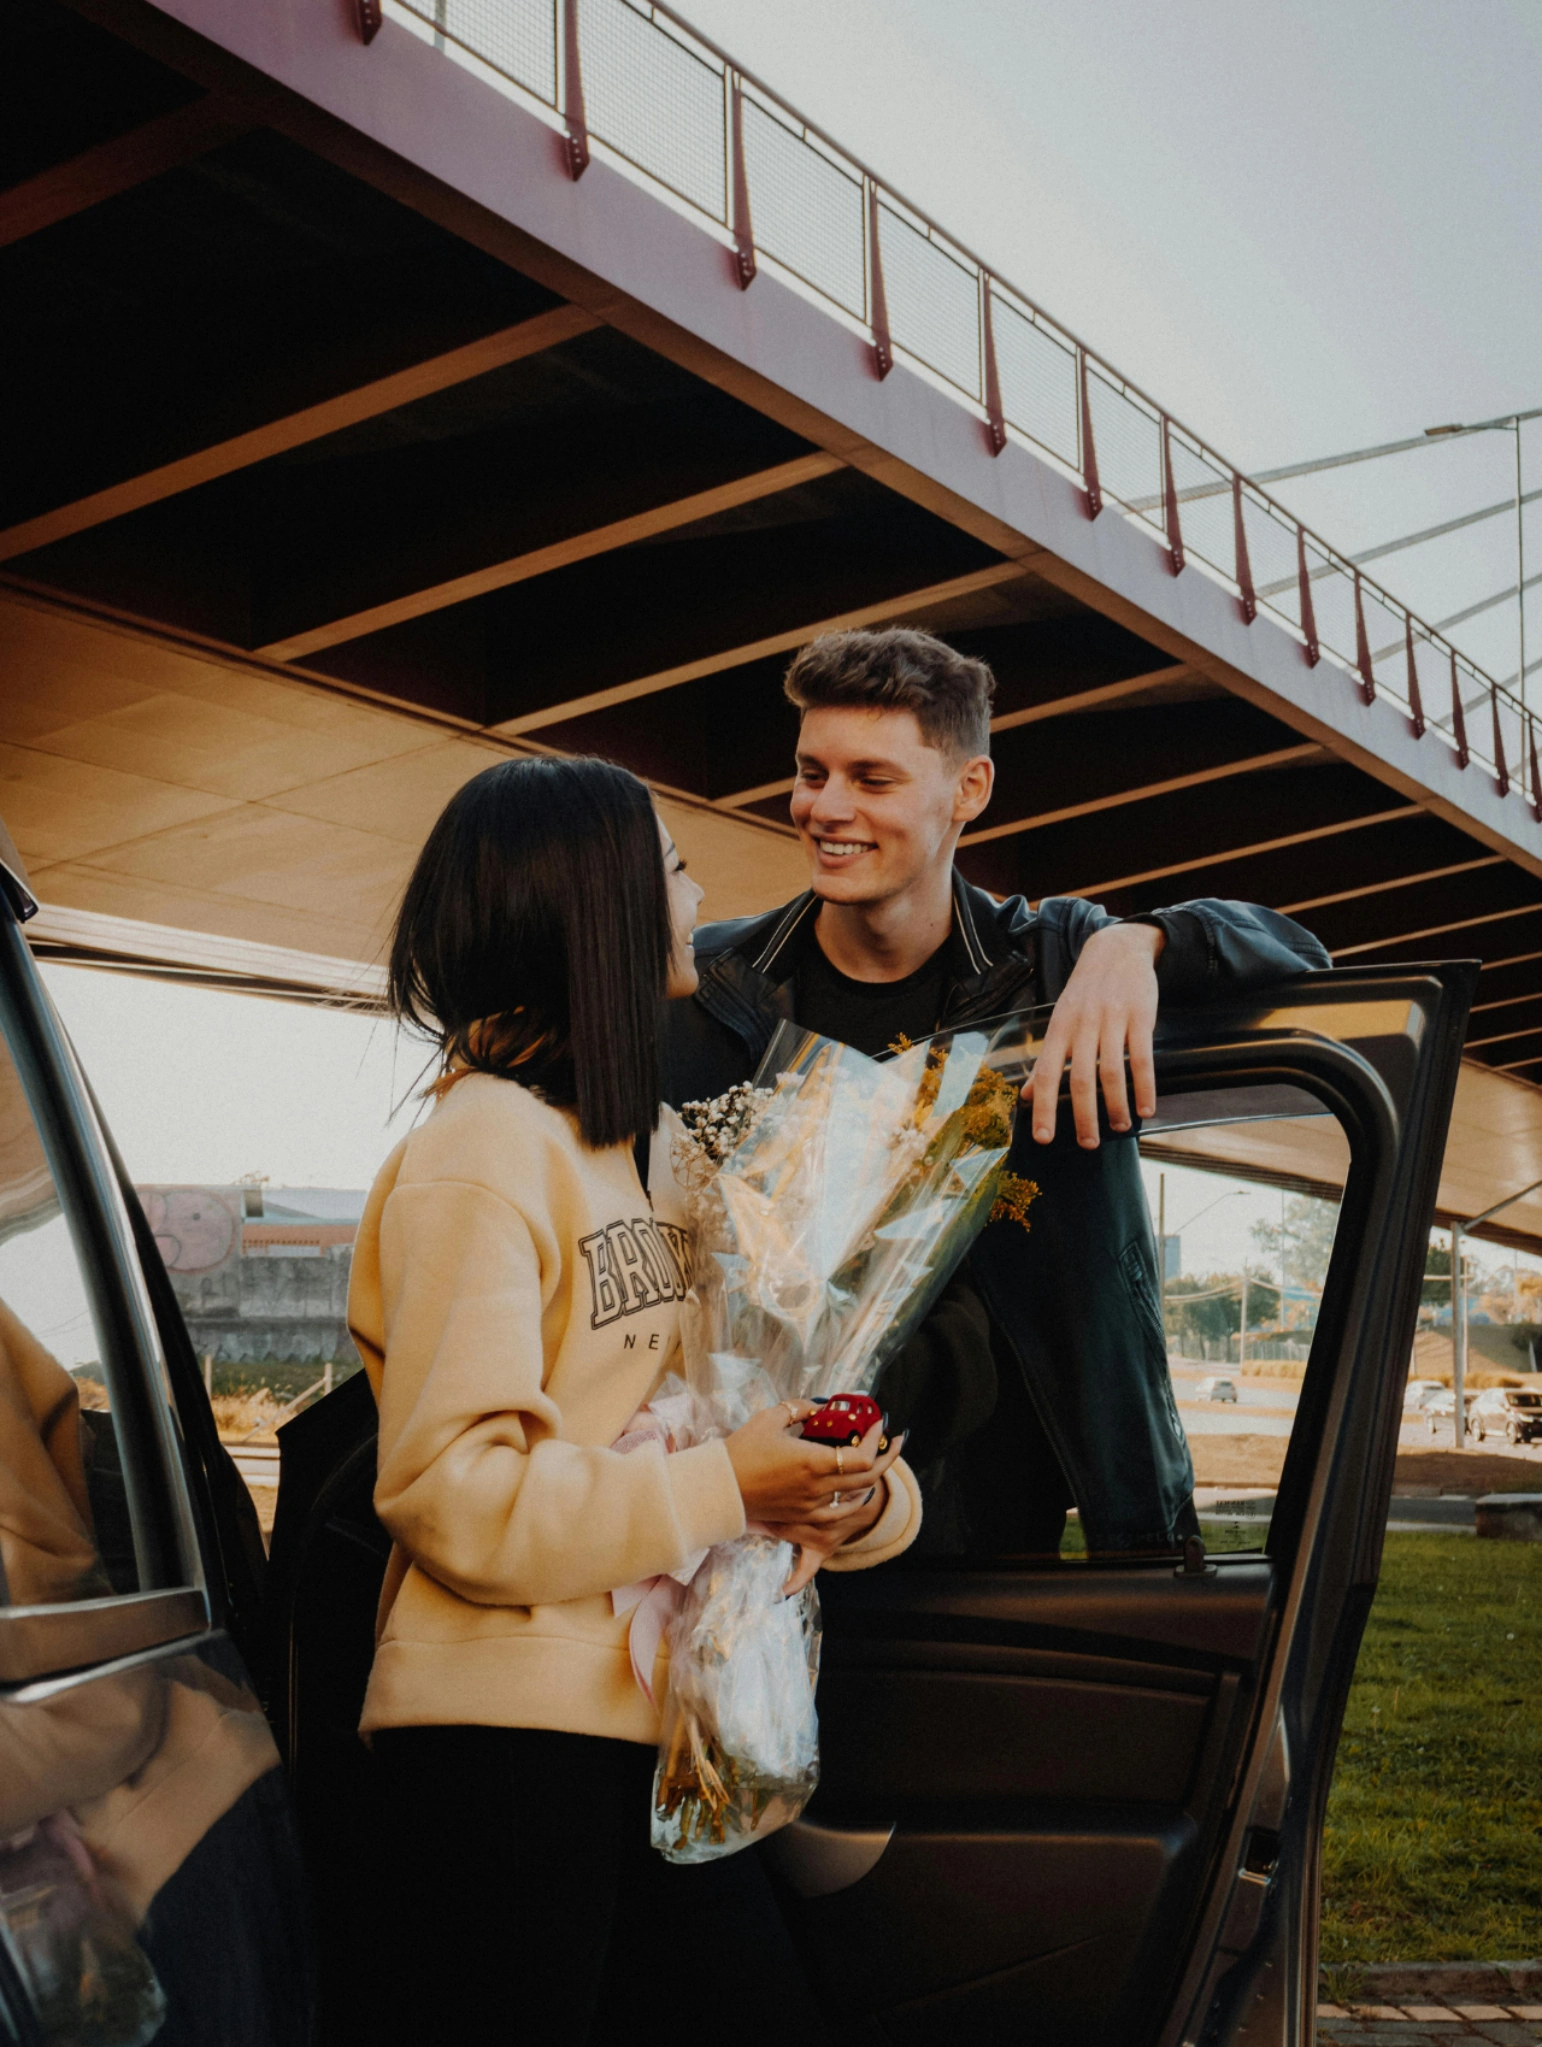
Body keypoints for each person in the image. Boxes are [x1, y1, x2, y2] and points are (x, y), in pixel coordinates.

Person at [350, 756, 919, 2045]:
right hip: (499, 1745)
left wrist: (851, 1484)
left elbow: (722, 1401)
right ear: (598, 904)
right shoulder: (478, 1151)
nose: (698, 891)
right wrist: (729, 1486)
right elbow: (453, 1490)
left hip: (652, 1728)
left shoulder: (649, 1150)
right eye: (671, 867)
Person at [664, 628, 1331, 1555]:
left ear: (969, 791)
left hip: (998, 1529)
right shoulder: (715, 981)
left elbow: (1302, 955)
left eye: (872, 778)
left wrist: (1142, 942)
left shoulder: (1057, 962)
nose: (826, 807)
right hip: (753, 1516)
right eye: (812, 771)